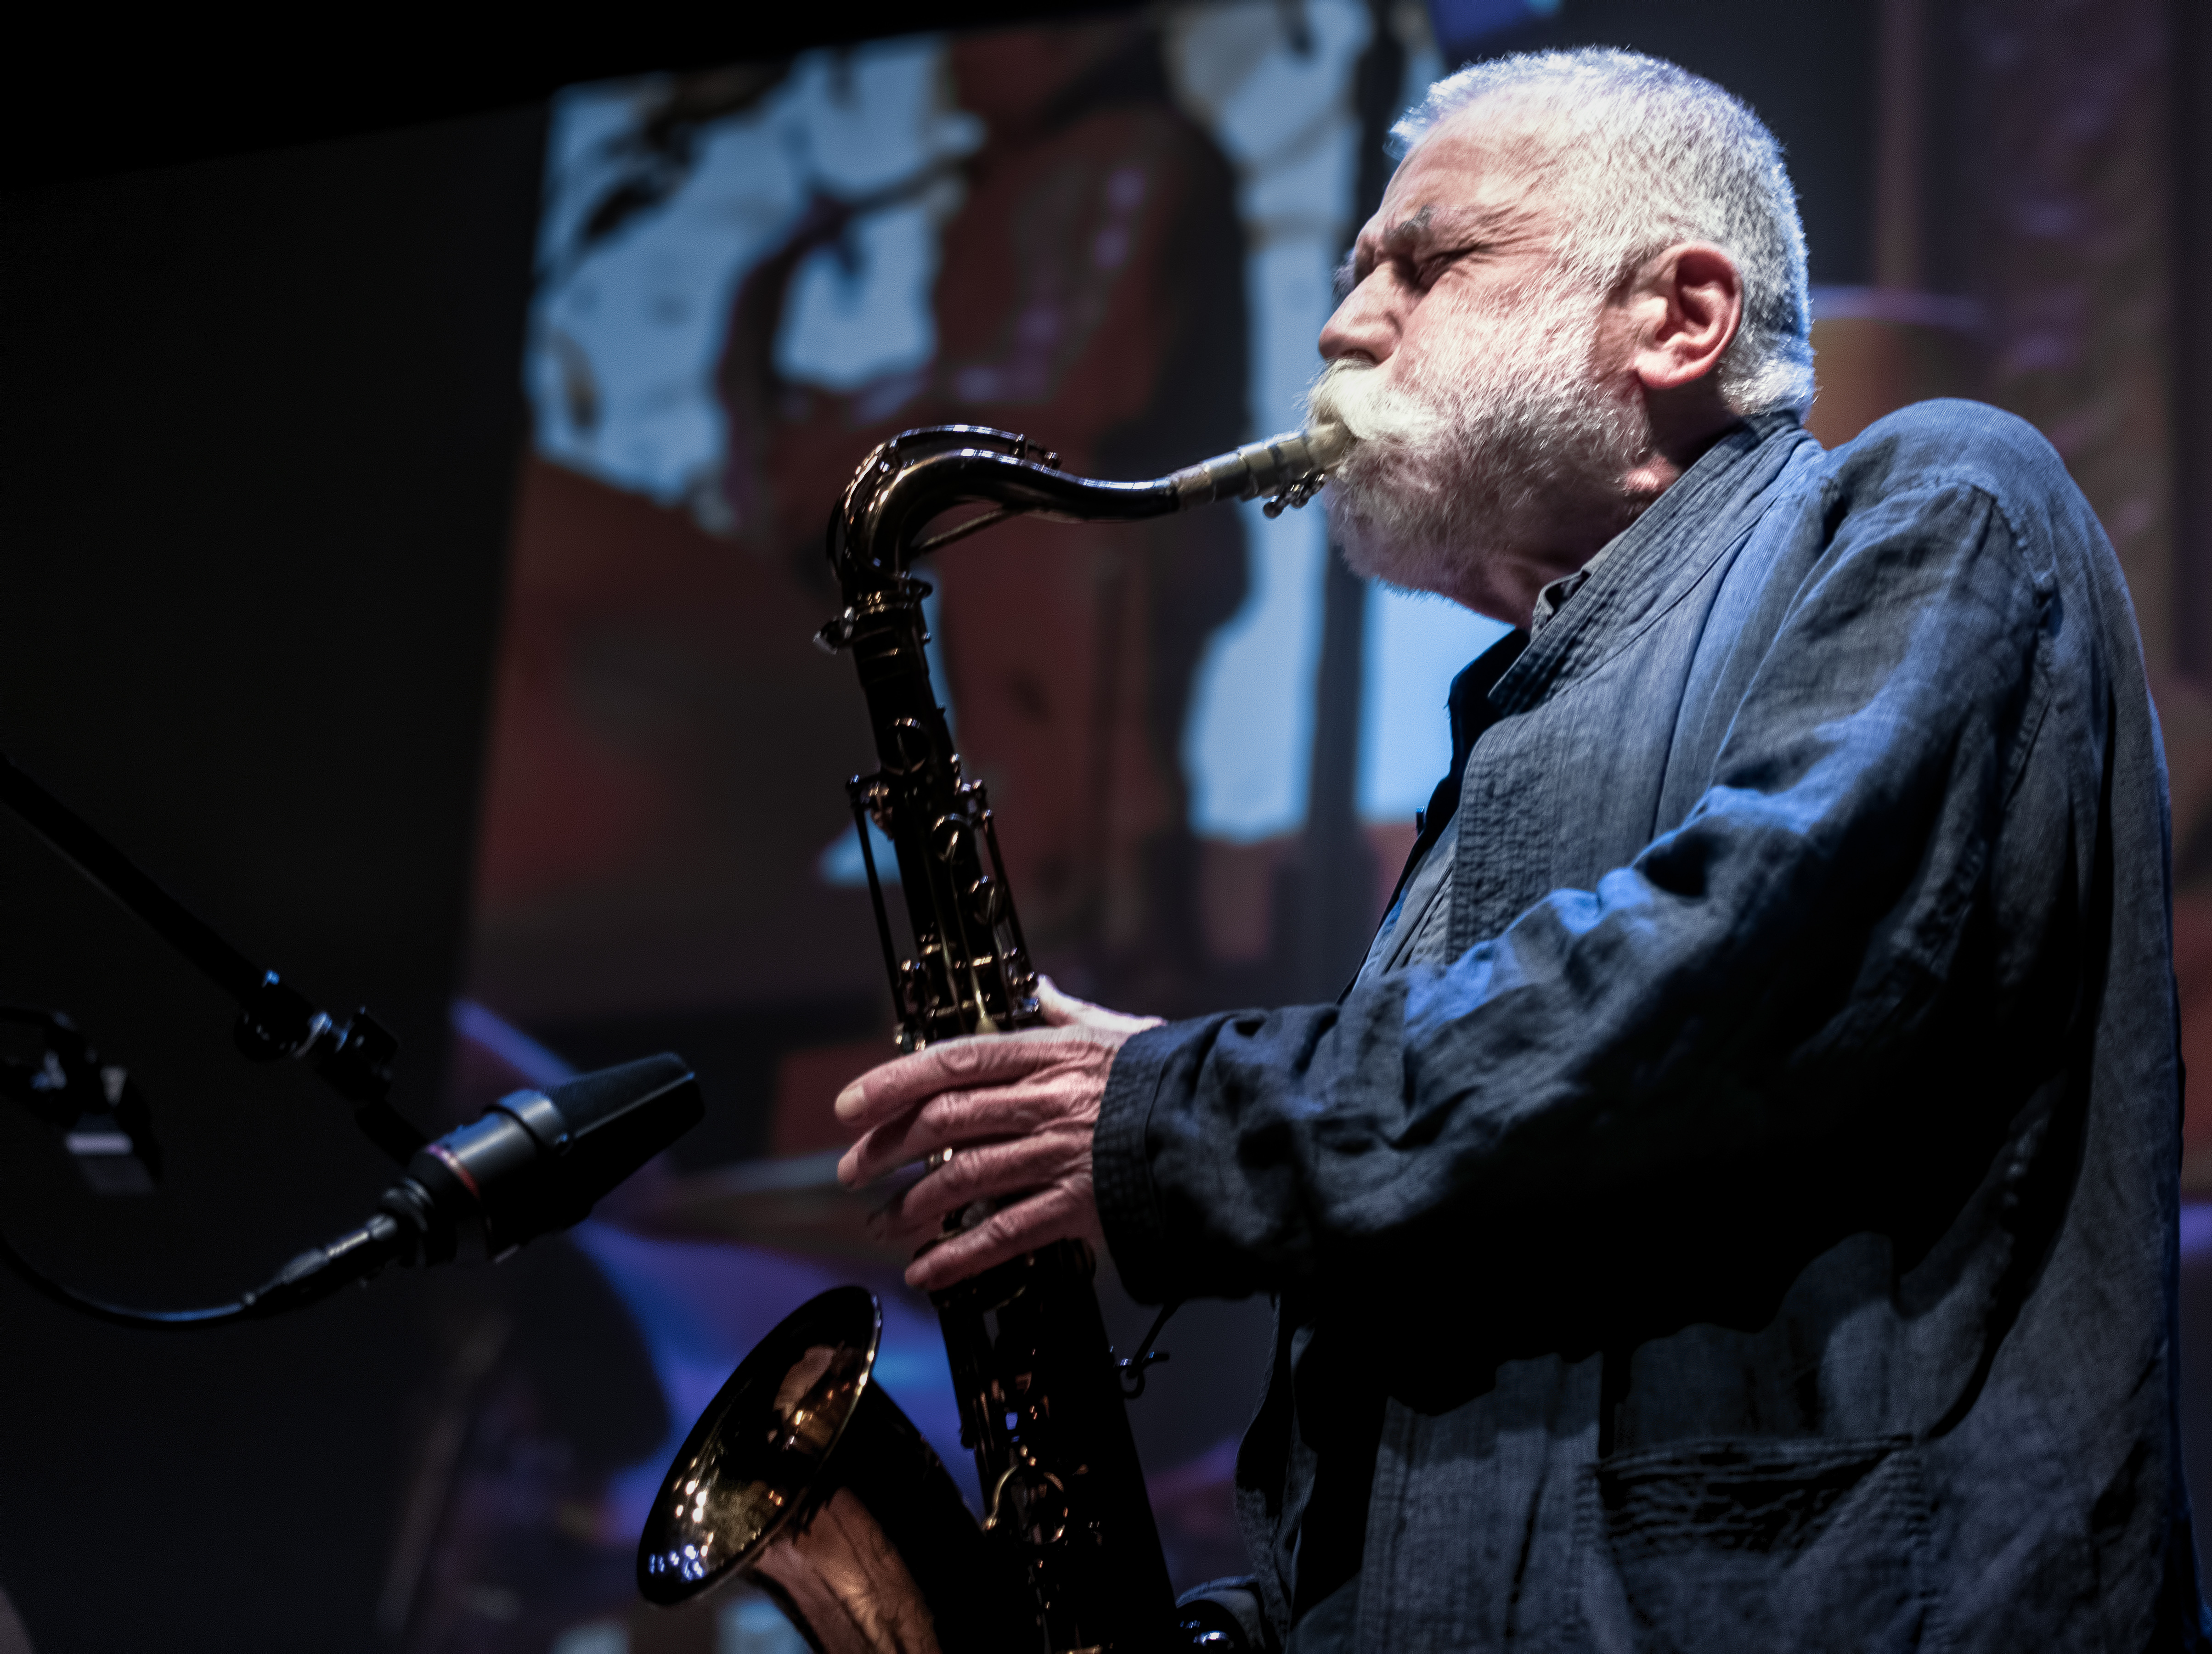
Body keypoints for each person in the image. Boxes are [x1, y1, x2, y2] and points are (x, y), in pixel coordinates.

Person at [834, 47, 2204, 1652]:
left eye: (1426, 264)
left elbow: (1707, 988)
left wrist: (1170, 1120)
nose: (1344, 330)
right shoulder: (1494, 761)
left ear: (1682, 317)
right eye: (1353, 279)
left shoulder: (1940, 498)